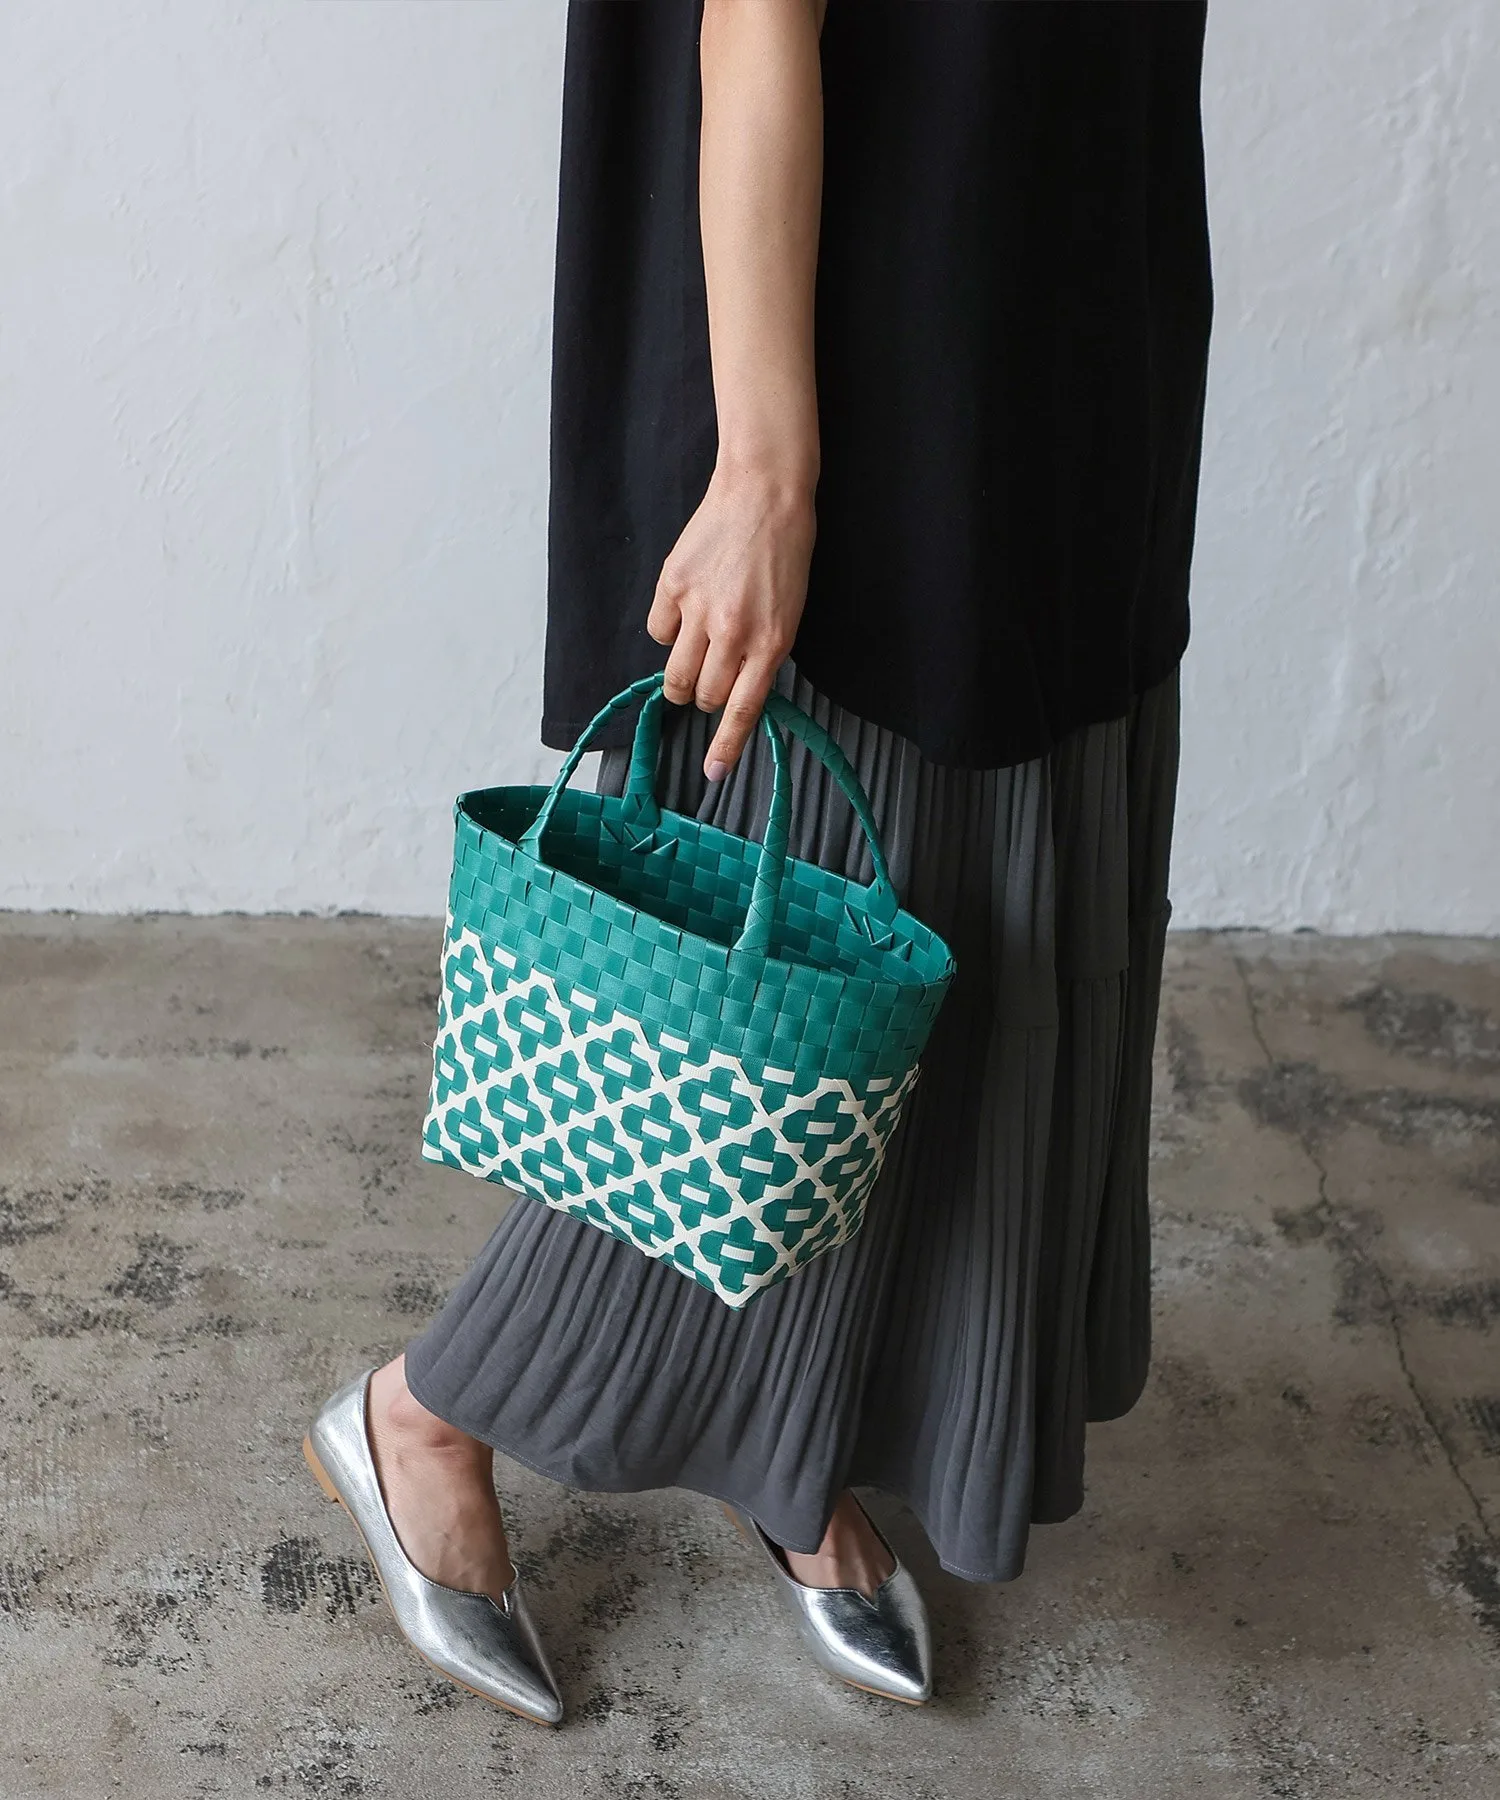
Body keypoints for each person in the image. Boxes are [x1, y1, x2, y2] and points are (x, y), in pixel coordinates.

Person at [303, 0, 1212, 1725]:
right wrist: (769, 469)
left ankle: (794, 1435)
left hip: (1067, 313)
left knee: (991, 934)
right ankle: (429, 1412)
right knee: (803, 991)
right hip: (851, 352)